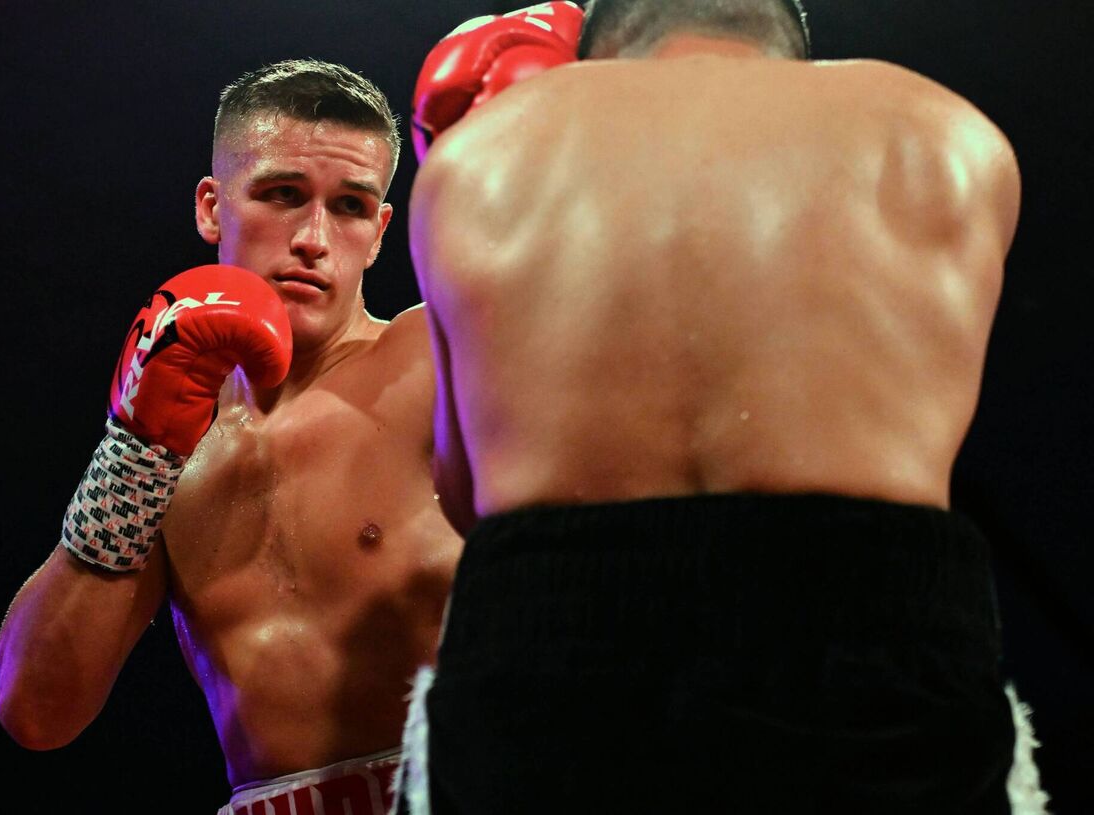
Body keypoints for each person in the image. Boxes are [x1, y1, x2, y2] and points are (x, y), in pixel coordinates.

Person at [399, 1, 1047, 812]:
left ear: (599, 54)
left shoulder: (477, 159)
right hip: (874, 633)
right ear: (791, 52)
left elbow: (464, 494)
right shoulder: (949, 136)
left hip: (553, 648)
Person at [0, 59, 462, 815]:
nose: (314, 238)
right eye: (282, 195)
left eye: (349, 207)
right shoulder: (167, 455)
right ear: (213, 207)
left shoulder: (432, 356)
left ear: (379, 233)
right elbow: (36, 709)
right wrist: (133, 451)